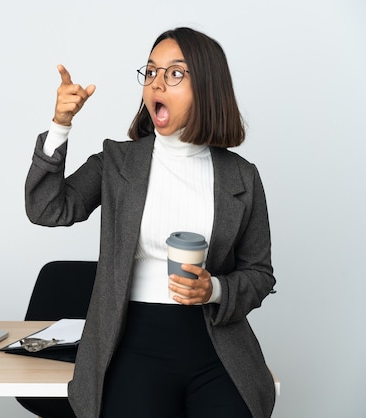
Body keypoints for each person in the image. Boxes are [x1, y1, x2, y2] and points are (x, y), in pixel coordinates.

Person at [25, 27, 276, 418]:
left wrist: (215, 290)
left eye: (175, 73)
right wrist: (61, 124)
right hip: (131, 342)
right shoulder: (118, 162)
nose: (157, 82)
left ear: (208, 87)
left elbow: (259, 274)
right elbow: (46, 208)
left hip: (215, 344)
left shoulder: (241, 177)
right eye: (151, 71)